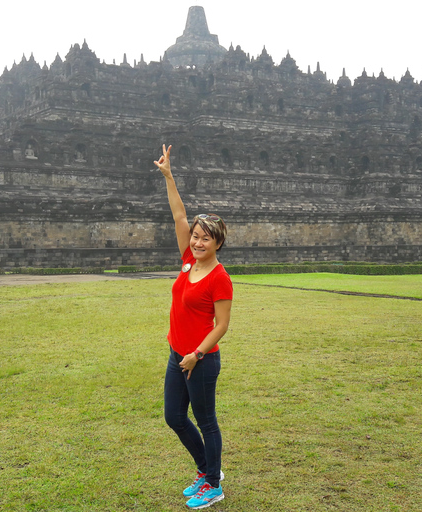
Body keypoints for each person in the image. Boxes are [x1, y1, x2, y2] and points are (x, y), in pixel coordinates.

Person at [154, 144, 233, 510]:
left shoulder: (220, 278)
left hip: (200, 360)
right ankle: (206, 470)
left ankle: (214, 484)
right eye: (196, 236)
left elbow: (222, 325)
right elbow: (178, 214)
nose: (198, 241)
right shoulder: (188, 259)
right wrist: (169, 176)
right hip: (177, 354)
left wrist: (196, 354)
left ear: (218, 242)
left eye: (206, 238)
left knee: (206, 421)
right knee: (174, 417)